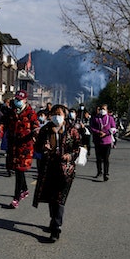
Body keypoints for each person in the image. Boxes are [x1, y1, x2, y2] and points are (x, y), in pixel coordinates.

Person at [32, 104, 81, 242]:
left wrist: (70, 156)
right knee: (51, 198)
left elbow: (77, 147)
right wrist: (43, 146)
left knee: (59, 199)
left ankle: (56, 228)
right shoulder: (45, 130)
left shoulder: (72, 130)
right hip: (49, 168)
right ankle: (53, 220)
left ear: (65, 115)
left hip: (65, 170)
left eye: (59, 114)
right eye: (54, 114)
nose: (57, 116)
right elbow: (37, 147)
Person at [4, 89, 39, 208]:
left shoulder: (30, 113)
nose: (17, 101)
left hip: (25, 147)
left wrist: (34, 135)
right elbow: (5, 125)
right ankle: (24, 189)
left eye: (20, 99)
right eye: (16, 99)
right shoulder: (12, 112)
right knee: (18, 170)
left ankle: (16, 198)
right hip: (13, 145)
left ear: (25, 100)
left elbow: (36, 127)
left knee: (19, 171)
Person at [90, 104, 116, 181]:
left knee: (106, 159)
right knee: (98, 158)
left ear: (107, 110)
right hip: (98, 141)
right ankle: (99, 172)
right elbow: (91, 128)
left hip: (107, 141)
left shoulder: (110, 118)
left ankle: (106, 173)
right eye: (101, 109)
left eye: (104, 109)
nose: (102, 110)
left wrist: (106, 133)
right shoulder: (95, 118)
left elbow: (114, 128)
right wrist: (98, 132)